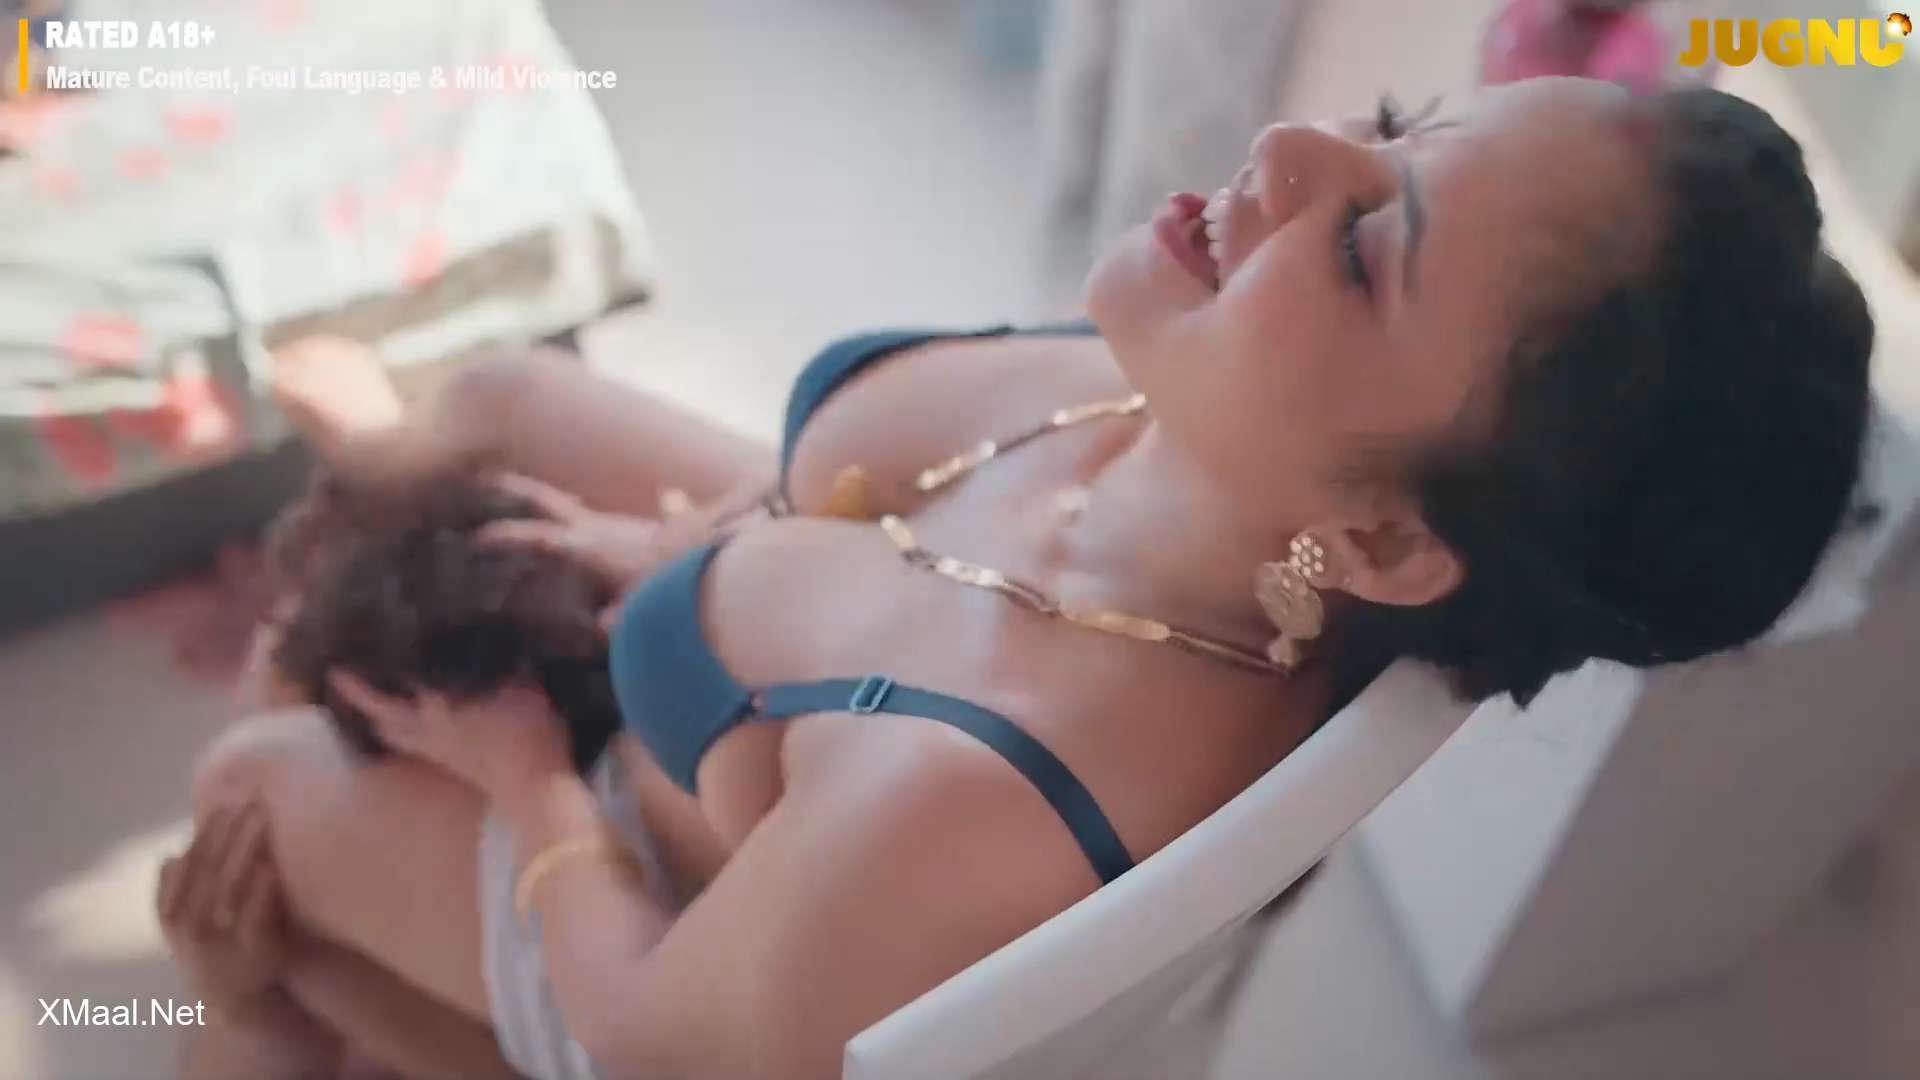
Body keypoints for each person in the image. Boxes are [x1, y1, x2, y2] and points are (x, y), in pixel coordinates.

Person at [169, 78, 1875, 1079]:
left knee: (250, 779)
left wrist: (526, 781)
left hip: (644, 880)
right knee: (490, 403)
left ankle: (276, 990)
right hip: (756, 635)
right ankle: (360, 542)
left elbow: (644, 1042)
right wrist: (701, 549)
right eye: (1396, 130)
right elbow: (872, 509)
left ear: (1382, 544)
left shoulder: (974, 800)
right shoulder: (1214, 408)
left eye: (1368, 246)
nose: (1292, 150)